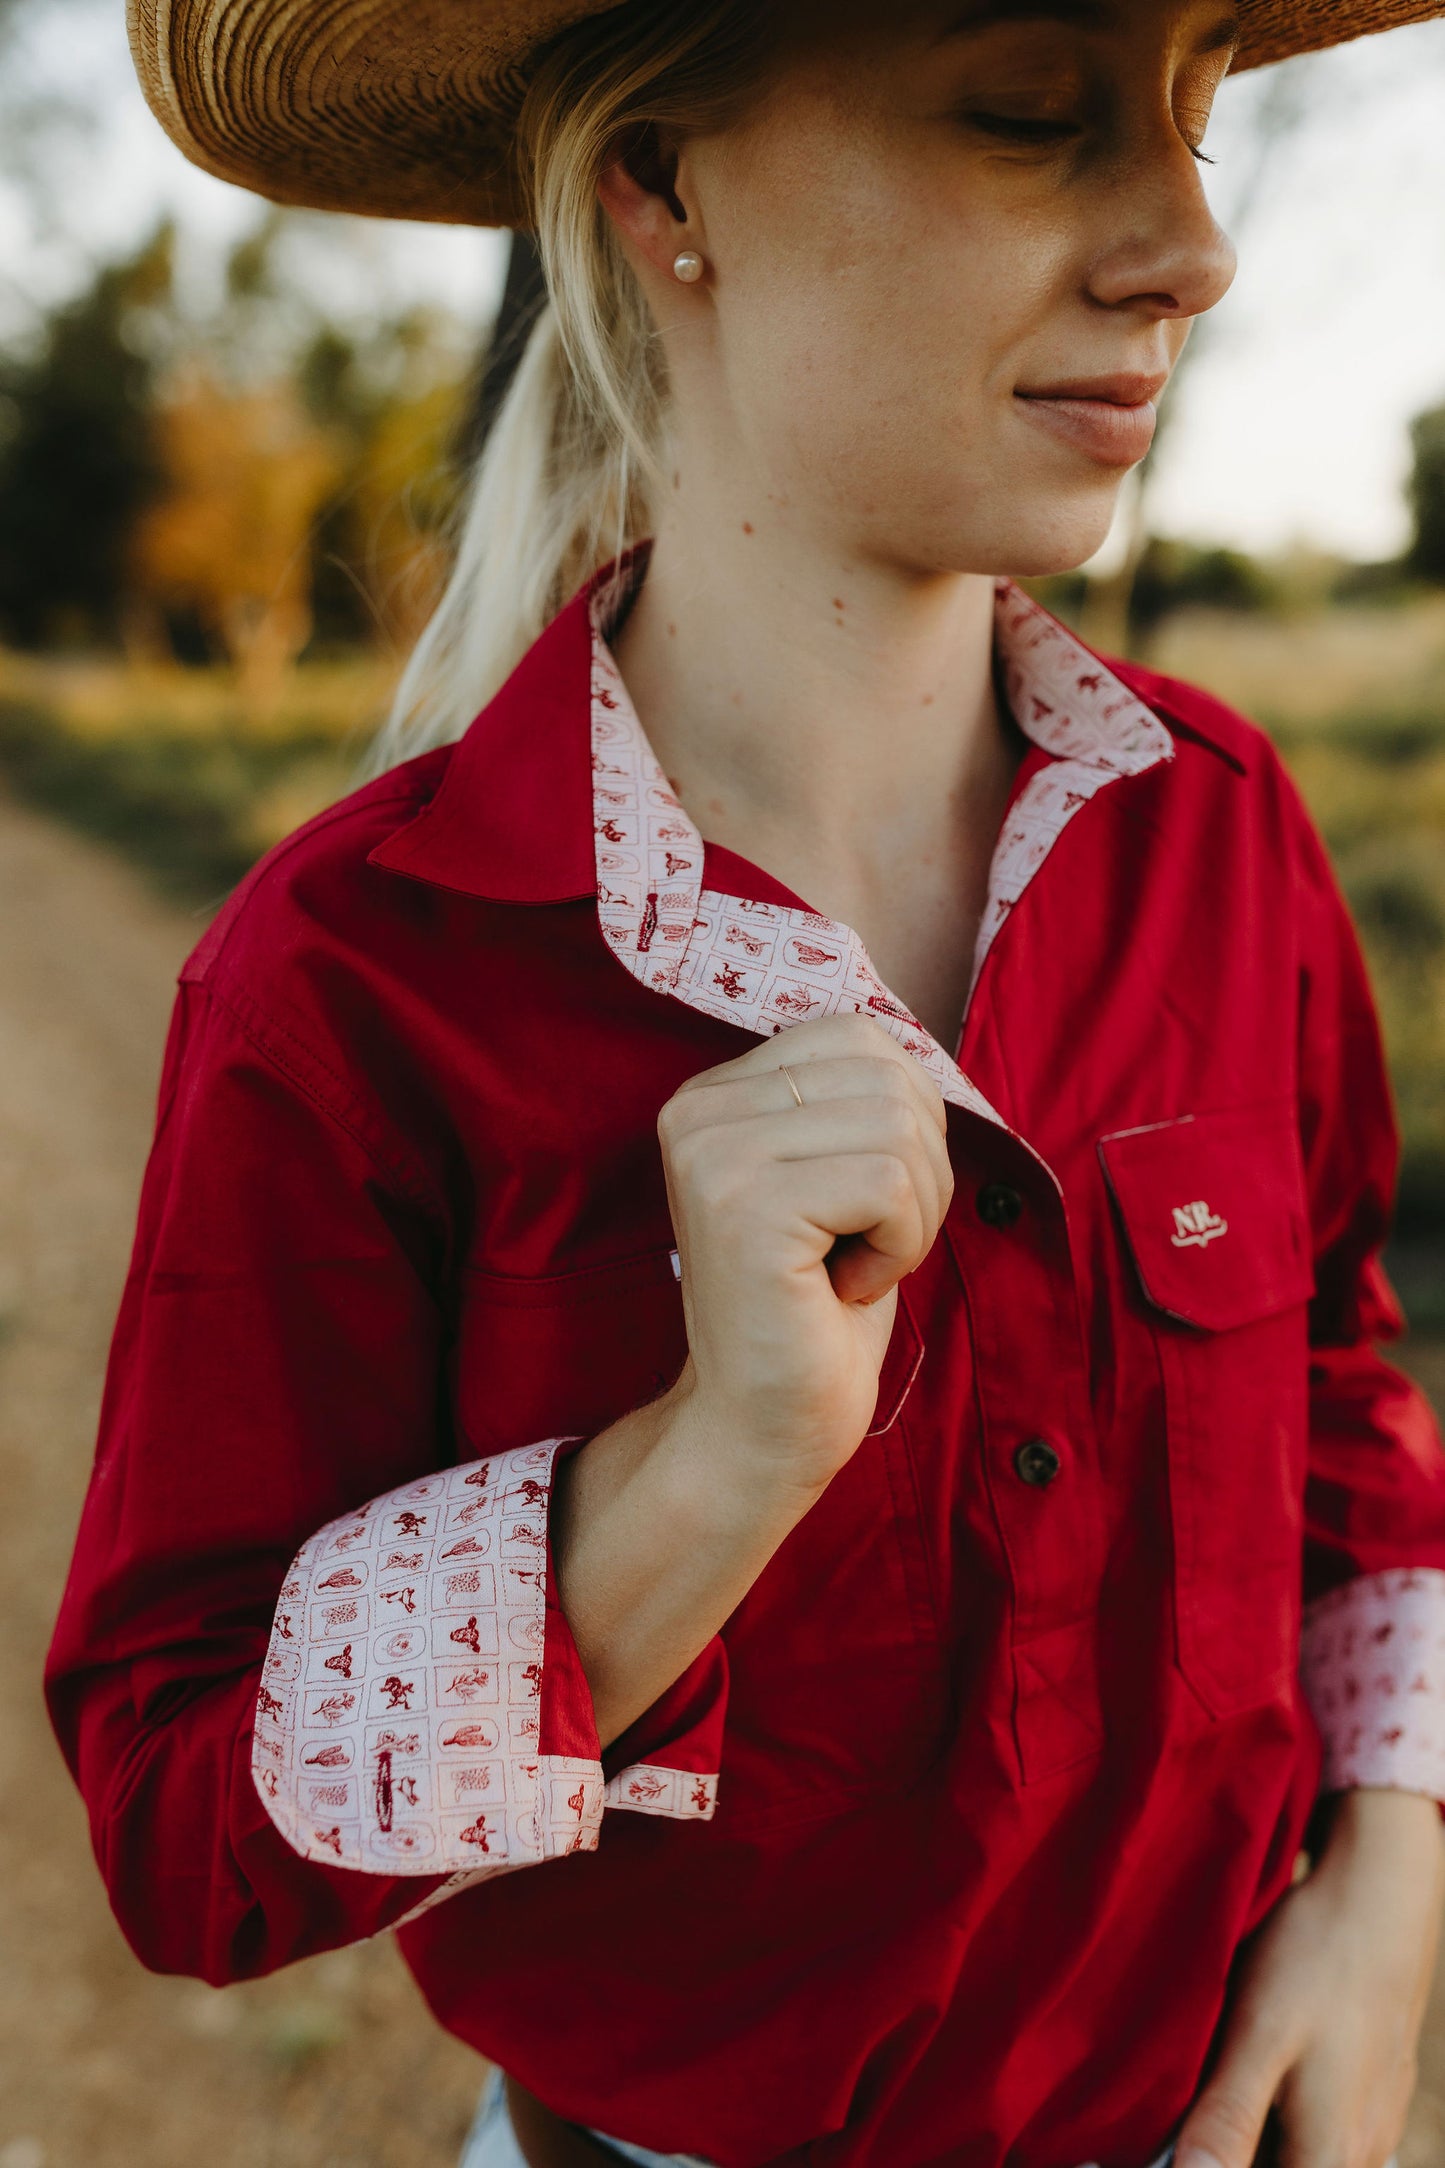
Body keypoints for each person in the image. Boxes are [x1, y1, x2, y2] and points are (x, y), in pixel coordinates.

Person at [44, 0, 1445, 2162]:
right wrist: (705, 1468)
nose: (1190, 243)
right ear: (666, 186)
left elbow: (1349, 1393)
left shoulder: (1228, 835)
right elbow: (178, 1812)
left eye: (1189, 124)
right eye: (1025, 113)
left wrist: (1391, 1869)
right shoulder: (346, 994)